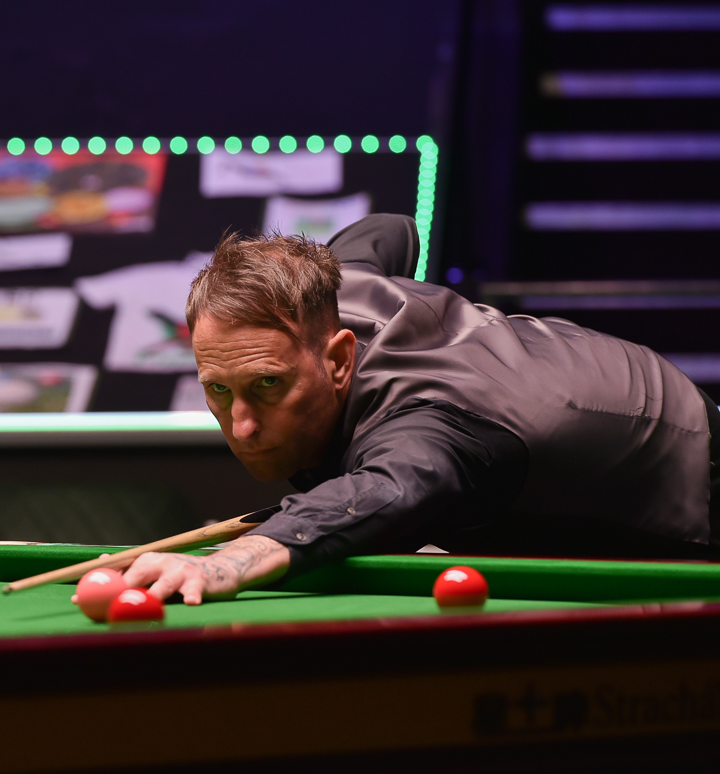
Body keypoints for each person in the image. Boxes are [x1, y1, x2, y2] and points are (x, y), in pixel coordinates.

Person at [124, 214, 719, 604]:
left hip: (683, 458)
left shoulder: (426, 427)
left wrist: (225, 563)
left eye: (268, 385)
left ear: (339, 359)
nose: (243, 426)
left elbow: (390, 487)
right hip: (559, 380)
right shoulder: (331, 284)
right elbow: (390, 229)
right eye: (218, 391)